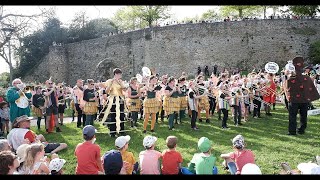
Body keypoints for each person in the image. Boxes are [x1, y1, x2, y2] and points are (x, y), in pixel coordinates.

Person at [283, 57, 320, 135]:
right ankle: (302, 130)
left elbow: (286, 87)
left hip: (294, 100)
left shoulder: (290, 78)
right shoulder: (307, 78)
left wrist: (286, 75)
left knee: (293, 116)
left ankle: (292, 131)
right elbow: (311, 87)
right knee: (303, 116)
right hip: (304, 100)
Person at [100, 68, 127, 137]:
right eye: (118, 74)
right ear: (115, 74)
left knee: (121, 115)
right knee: (113, 115)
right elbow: (106, 91)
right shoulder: (110, 81)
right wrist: (110, 84)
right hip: (113, 99)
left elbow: (124, 89)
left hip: (120, 99)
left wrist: (121, 84)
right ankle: (112, 132)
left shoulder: (121, 81)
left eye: (120, 74)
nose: (120, 75)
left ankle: (121, 131)